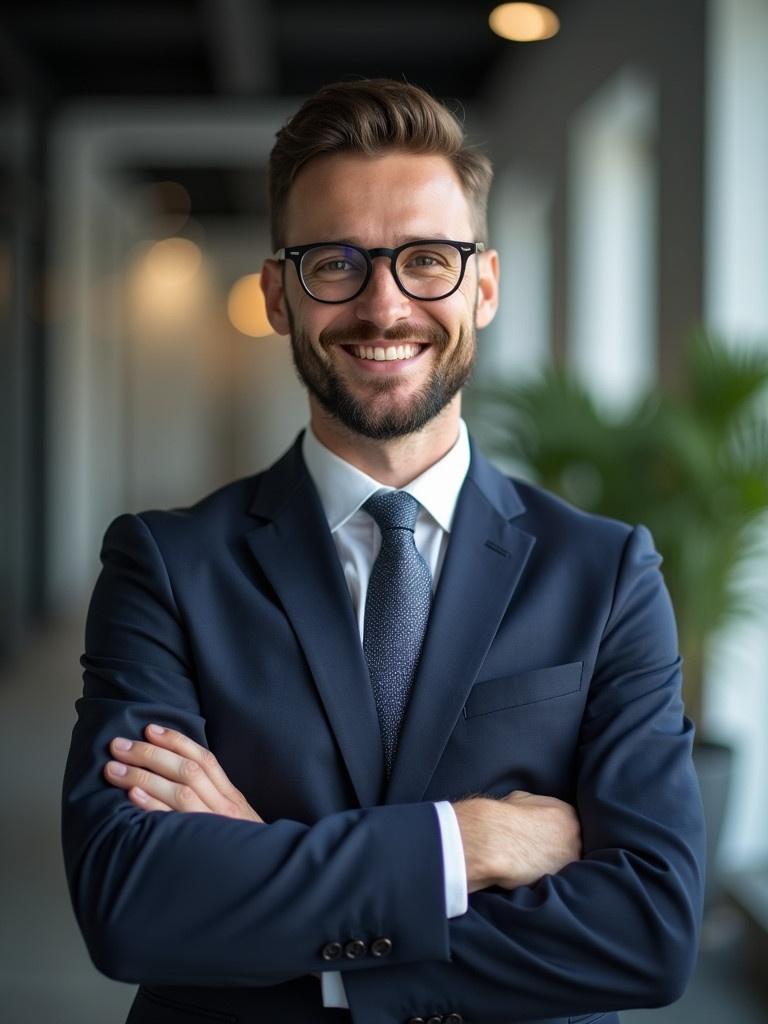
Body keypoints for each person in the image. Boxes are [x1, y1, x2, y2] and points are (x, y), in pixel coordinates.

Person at [62, 79, 705, 1024]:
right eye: (336, 263)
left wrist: (276, 887)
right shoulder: (165, 565)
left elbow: (648, 929)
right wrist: (466, 842)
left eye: (427, 261)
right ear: (280, 294)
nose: (384, 304)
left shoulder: (605, 573)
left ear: (482, 285)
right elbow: (131, 902)